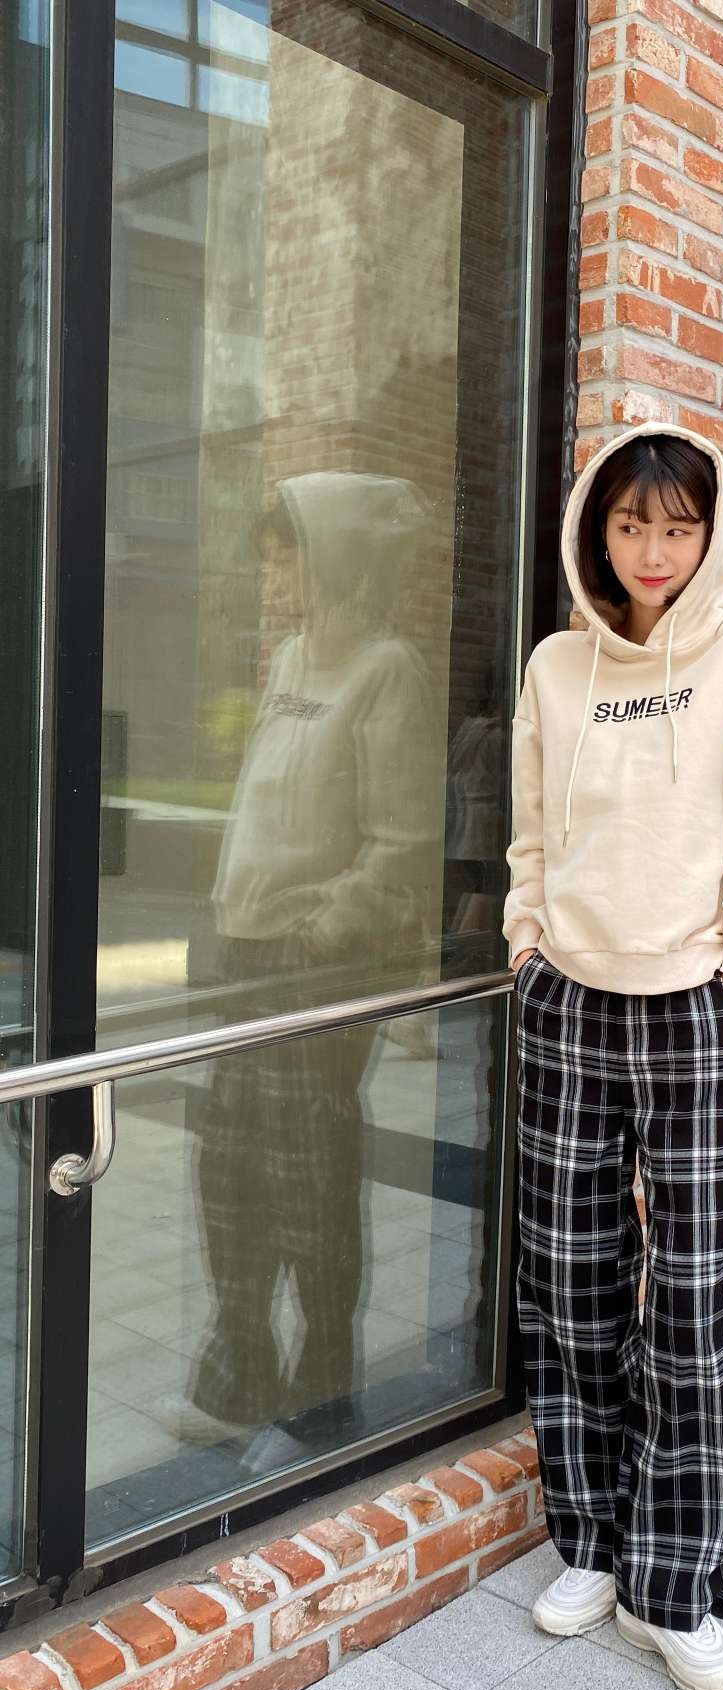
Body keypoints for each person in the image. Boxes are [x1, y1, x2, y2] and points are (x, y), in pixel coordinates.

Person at [503, 421, 723, 1690]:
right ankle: (589, 1543)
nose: (653, 550)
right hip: (567, 1003)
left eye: (677, 527)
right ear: (599, 530)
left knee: (692, 1303)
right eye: (631, 524)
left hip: (692, 1005)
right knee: (570, 1285)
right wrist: (527, 945)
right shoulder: (557, 667)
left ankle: (676, 1586)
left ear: (710, 532)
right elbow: (532, 830)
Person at [176, 472, 441, 1469]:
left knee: (310, 1181)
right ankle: (239, 1374)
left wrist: (322, 934)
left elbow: (403, 841)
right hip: (245, 954)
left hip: (316, 965)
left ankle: (322, 1398)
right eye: (268, 554)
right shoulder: (292, 658)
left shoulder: (386, 670)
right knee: (229, 1169)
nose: (273, 571)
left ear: (331, 556)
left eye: (285, 552)